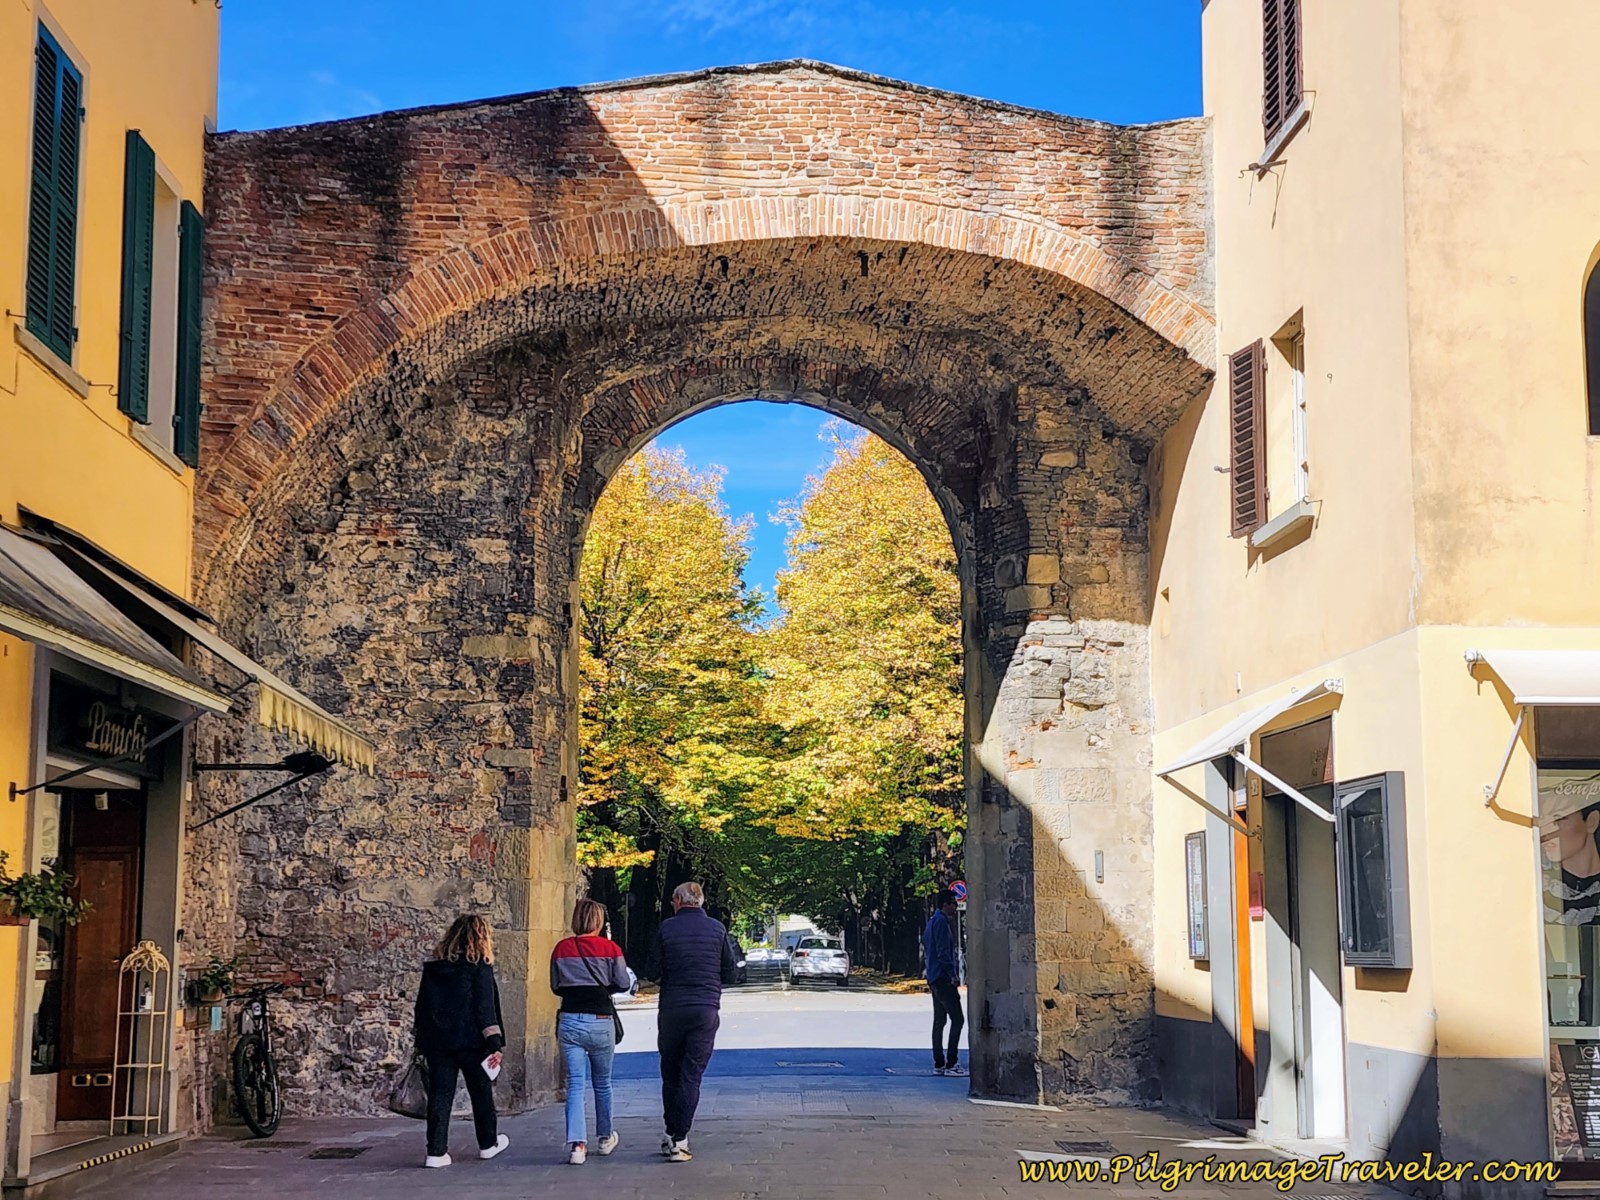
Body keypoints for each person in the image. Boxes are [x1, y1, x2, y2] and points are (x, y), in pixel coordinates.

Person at [647, 882, 739, 1162]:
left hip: (672, 1009)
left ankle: (671, 1132)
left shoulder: (666, 928)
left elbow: (651, 970)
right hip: (705, 1010)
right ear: (701, 901)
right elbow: (731, 972)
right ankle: (680, 1138)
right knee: (691, 1076)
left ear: (678, 900)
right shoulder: (717, 929)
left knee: (670, 1073)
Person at [413, 914, 509, 1168]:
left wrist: (420, 1041)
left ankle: (436, 1152)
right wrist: (495, 1044)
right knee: (481, 1092)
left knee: (440, 1094)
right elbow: (485, 1008)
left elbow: (422, 1007)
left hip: (437, 1041)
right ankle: (488, 1144)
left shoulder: (433, 969)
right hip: (472, 1041)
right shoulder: (479, 968)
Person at [550, 897, 634, 1165]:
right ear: (598, 921)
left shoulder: (561, 949)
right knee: (602, 1083)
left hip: (570, 1020)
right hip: (600, 1018)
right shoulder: (610, 948)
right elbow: (623, 982)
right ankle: (605, 1137)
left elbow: (556, 986)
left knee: (575, 1083)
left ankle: (577, 1145)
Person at [922, 890, 966, 1077]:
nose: (955, 907)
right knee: (958, 1019)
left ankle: (939, 1063)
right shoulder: (941, 922)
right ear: (945, 904)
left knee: (939, 1020)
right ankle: (951, 1063)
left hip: (934, 976)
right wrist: (952, 974)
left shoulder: (931, 922)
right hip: (942, 977)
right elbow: (943, 953)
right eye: (953, 903)